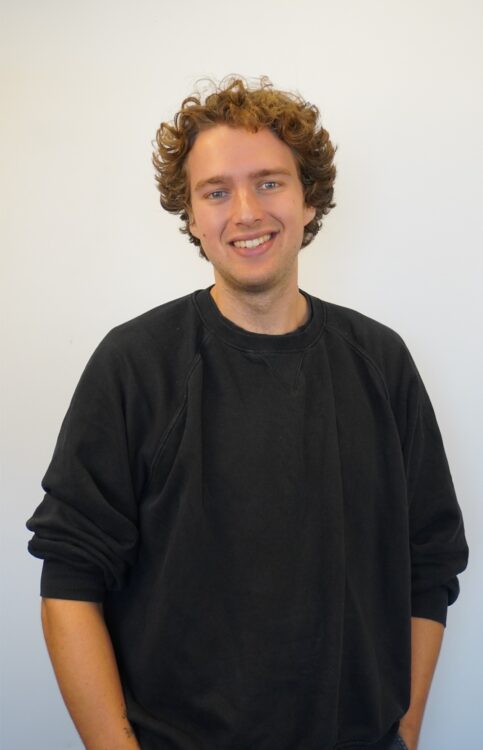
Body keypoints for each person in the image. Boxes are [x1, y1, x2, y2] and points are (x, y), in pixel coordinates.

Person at [26, 76, 468, 750]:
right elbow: (69, 578)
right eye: (215, 192)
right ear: (190, 214)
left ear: (308, 197)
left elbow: (429, 566)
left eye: (268, 182)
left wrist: (403, 734)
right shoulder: (134, 365)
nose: (245, 212)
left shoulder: (381, 362)